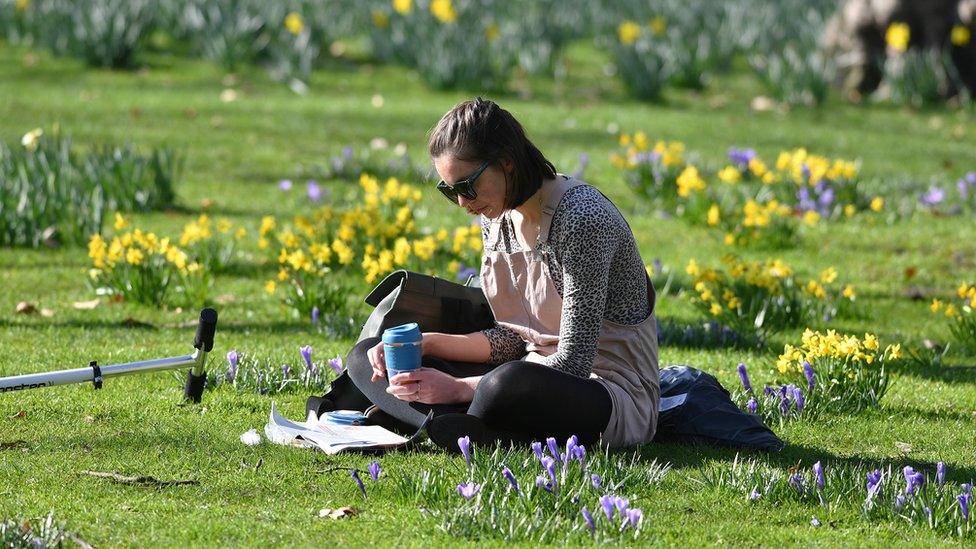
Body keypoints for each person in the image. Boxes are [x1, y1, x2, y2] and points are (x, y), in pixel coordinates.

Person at [346, 97, 659, 451]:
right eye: (450, 192)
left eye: (466, 187)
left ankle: (431, 418)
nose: (463, 203)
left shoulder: (581, 218)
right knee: (367, 354)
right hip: (526, 368)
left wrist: (460, 387)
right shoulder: (496, 216)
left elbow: (573, 361)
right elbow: (514, 338)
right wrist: (426, 343)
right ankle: (462, 427)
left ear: (506, 163)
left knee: (505, 384)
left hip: (606, 392)